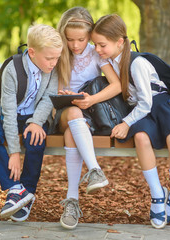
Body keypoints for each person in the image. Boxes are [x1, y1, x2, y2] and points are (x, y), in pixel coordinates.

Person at [91, 14, 170, 229]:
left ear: (119, 42)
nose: (97, 49)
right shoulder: (107, 62)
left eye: (102, 44)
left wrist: (126, 123)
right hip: (140, 110)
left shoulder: (137, 63)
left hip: (161, 104)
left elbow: (147, 102)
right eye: (95, 44)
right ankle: (157, 194)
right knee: (141, 139)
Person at [0, 24, 63, 222]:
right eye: (50, 58)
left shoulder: (52, 69)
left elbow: (47, 99)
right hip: (12, 114)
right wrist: (14, 153)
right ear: (32, 52)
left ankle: (28, 193)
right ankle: (16, 189)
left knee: (36, 139)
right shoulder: (13, 69)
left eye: (57, 58)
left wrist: (35, 122)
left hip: (35, 117)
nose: (54, 63)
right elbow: (7, 112)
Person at [52, 7, 121, 229]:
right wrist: (63, 94)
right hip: (63, 113)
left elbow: (117, 85)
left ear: (90, 35)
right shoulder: (59, 53)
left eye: (81, 39)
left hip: (89, 116)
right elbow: (51, 89)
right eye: (69, 39)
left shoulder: (95, 53)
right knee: (73, 113)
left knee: (75, 127)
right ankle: (95, 170)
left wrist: (91, 100)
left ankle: (71, 201)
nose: (75, 45)